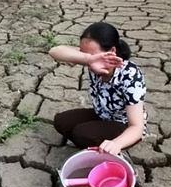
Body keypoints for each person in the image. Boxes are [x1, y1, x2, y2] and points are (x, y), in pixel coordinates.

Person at [49, 22, 147, 155]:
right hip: (103, 114)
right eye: (85, 53)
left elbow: (137, 127)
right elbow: (54, 51)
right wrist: (88, 59)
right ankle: (94, 142)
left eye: (94, 55)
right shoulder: (91, 58)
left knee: (81, 133)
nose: (91, 62)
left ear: (112, 52)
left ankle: (105, 149)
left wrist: (116, 143)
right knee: (61, 122)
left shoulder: (130, 75)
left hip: (123, 124)